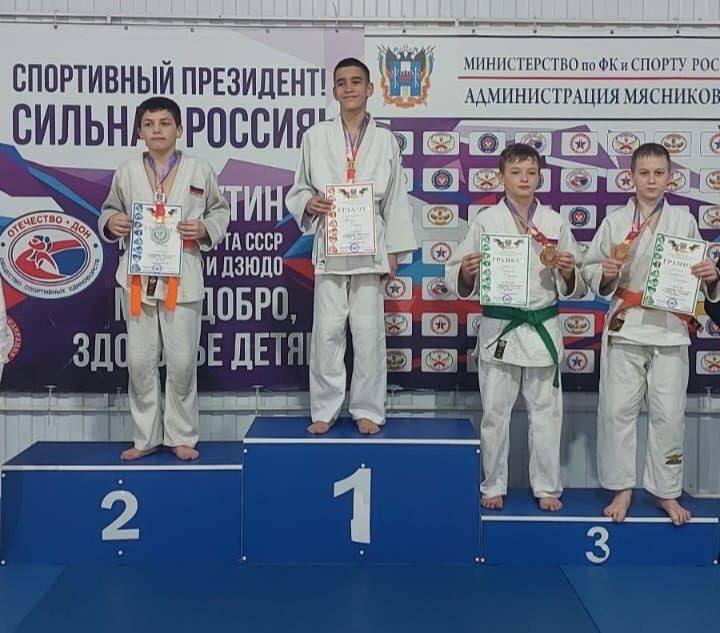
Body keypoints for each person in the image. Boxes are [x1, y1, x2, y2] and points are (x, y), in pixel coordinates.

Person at [581, 142, 720, 525]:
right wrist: (605, 273)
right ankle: (622, 488)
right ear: (631, 177)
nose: (652, 180)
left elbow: (698, 278)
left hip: (671, 328)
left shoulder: (683, 221)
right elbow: (590, 268)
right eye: (644, 173)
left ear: (670, 177)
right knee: (617, 411)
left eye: (659, 173)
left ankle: (666, 491)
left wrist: (711, 277)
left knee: (669, 415)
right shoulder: (615, 222)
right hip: (627, 324)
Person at [445, 143, 585, 511]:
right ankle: (493, 484)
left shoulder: (554, 222)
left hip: (541, 327)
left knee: (547, 415)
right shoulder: (487, 221)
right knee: (495, 414)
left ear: (540, 177)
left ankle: (547, 486)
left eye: (531, 172)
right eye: (516, 172)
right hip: (500, 329)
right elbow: (454, 272)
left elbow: (578, 281)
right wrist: (466, 272)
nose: (524, 179)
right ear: (501, 177)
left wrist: (569, 271)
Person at [286, 57, 417, 435]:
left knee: (368, 332)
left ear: (369, 89)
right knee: (327, 332)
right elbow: (299, 188)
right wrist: (308, 203)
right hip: (331, 242)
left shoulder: (385, 140)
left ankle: (367, 408)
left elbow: (395, 198)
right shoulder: (315, 137)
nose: (349, 88)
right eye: (342, 82)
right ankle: (324, 408)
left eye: (356, 81)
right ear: (334, 91)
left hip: (369, 245)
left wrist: (394, 251)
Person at [99, 96, 230, 461]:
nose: (157, 130)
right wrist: (112, 222)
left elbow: (220, 211)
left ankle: (181, 435)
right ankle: (146, 437)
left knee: (182, 361)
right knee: (140, 362)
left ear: (179, 129)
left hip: (182, 276)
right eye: (149, 124)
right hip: (138, 279)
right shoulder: (127, 171)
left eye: (165, 123)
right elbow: (109, 210)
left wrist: (204, 228)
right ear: (139, 131)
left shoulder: (199, 170)